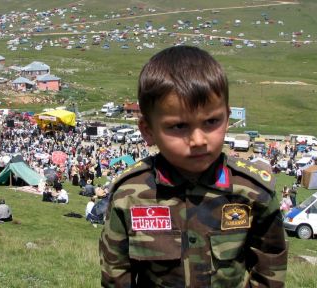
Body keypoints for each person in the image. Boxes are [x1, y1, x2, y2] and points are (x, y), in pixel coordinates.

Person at [99, 46, 288, 287]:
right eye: (178, 126)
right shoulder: (130, 195)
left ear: (227, 118)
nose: (198, 140)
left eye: (211, 121)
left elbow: (270, 264)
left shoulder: (251, 192)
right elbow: (116, 274)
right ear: (148, 131)